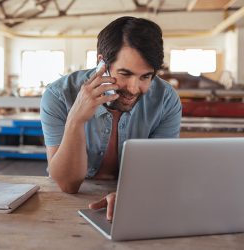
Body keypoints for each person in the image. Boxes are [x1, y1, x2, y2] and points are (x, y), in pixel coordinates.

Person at [40, 16, 182, 221]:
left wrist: (132, 195)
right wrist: (76, 120)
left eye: (145, 77)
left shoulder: (166, 99)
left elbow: (159, 173)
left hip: (135, 202)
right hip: (69, 203)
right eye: (124, 74)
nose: (133, 89)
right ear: (101, 64)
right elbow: (67, 184)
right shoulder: (59, 95)